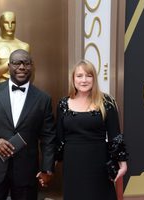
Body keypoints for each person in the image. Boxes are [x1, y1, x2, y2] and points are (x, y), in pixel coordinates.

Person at [0, 49, 55, 200]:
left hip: (26, 174)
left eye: (26, 63)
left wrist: (47, 169)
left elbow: (48, 136)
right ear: (9, 66)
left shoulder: (43, 99)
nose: (22, 67)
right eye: (16, 63)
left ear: (32, 66)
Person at [55, 59, 128, 200]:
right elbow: (58, 137)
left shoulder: (107, 102)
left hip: (99, 162)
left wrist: (122, 164)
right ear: (73, 79)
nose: (84, 80)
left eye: (89, 76)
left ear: (94, 78)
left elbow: (115, 136)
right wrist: (49, 166)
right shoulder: (63, 103)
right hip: (72, 163)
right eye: (79, 76)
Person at [0, 11, 30, 83]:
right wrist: (12, 62)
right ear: (0, 24)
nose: (10, 26)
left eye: (13, 23)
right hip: (1, 88)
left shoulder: (24, 46)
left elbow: (28, 72)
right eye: (6, 23)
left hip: (21, 88)